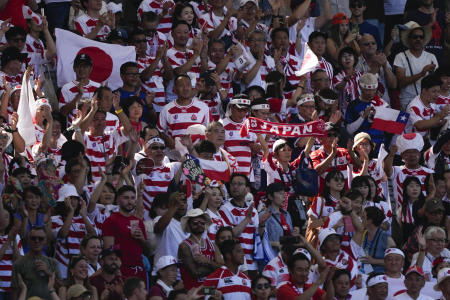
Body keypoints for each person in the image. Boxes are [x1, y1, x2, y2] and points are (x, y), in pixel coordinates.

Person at [50, 184, 97, 278]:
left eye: (75, 198)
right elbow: (62, 234)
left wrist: (83, 215)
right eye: (69, 198)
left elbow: (94, 235)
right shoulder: (55, 219)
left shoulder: (84, 218)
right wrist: (71, 212)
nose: (73, 201)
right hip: (63, 268)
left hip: (84, 267)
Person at [102, 186, 148, 281]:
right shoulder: (111, 220)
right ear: (118, 200)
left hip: (139, 269)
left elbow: (146, 249)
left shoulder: (138, 221)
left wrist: (142, 239)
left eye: (132, 198)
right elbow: (108, 249)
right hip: (121, 269)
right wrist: (117, 271)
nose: (130, 201)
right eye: (126, 198)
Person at [383, 133, 433, 219]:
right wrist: (391, 154)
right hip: (402, 218)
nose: (412, 155)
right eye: (408, 153)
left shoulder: (430, 172)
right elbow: (387, 170)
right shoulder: (397, 170)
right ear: (402, 155)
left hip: (424, 216)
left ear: (420, 154)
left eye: (415, 152)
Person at [393, 21, 438, 110]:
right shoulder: (400, 56)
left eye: (421, 37)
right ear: (409, 39)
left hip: (427, 101)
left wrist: (433, 75)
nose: (418, 39)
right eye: (415, 37)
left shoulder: (431, 56)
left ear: (423, 39)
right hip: (407, 101)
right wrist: (422, 73)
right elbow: (400, 83)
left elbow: (437, 83)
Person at [11, 226, 62, 299]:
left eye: (41, 239)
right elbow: (15, 293)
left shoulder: (53, 262)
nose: (37, 241)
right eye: (33, 238)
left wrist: (48, 273)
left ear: (46, 241)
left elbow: (61, 287)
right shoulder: (19, 264)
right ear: (28, 240)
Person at [178, 208, 221, 290]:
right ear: (188, 225)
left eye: (202, 222)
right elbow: (195, 273)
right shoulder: (184, 246)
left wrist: (207, 261)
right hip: (193, 292)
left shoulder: (212, 245)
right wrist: (214, 267)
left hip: (210, 290)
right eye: (195, 223)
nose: (199, 225)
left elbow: (222, 268)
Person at [345, 73, 388, 150]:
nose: (370, 92)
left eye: (373, 89)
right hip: (361, 147)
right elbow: (349, 130)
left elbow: (390, 129)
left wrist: (379, 118)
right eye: (367, 89)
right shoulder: (353, 105)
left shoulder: (383, 104)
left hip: (380, 147)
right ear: (360, 87)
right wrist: (363, 117)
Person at [59, 53, 100, 127]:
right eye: (79, 66)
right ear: (74, 68)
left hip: (94, 129)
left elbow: (103, 110)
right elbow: (63, 113)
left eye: (85, 66)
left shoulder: (98, 87)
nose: (81, 69)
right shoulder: (66, 88)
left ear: (90, 69)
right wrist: (79, 95)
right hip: (74, 129)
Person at [355, 34, 397, 104]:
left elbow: (393, 85)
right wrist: (377, 65)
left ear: (376, 46)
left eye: (373, 43)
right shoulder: (356, 63)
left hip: (384, 105)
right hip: (365, 106)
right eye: (366, 44)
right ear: (361, 47)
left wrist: (385, 67)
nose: (370, 45)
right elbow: (364, 84)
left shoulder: (383, 59)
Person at [406, 74, 449, 141]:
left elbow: (430, 122)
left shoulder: (431, 102)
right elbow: (420, 125)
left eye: (438, 91)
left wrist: (441, 122)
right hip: (409, 143)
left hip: (423, 140)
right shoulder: (414, 106)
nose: (437, 95)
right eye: (434, 91)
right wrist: (440, 116)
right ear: (424, 91)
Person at [361, 206, 396, 273]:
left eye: (363, 217)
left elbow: (395, 262)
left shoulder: (387, 238)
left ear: (370, 221)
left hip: (381, 276)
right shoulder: (363, 234)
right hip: (363, 273)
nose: (361, 219)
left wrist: (374, 261)